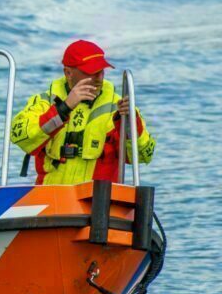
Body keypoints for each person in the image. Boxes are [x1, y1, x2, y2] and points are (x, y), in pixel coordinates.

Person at [10, 40, 156, 185]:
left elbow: (143, 156)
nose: (99, 78)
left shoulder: (119, 108)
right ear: (68, 73)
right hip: (51, 198)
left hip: (99, 202)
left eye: (101, 71)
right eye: (91, 72)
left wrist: (130, 124)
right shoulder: (44, 101)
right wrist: (63, 109)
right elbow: (21, 138)